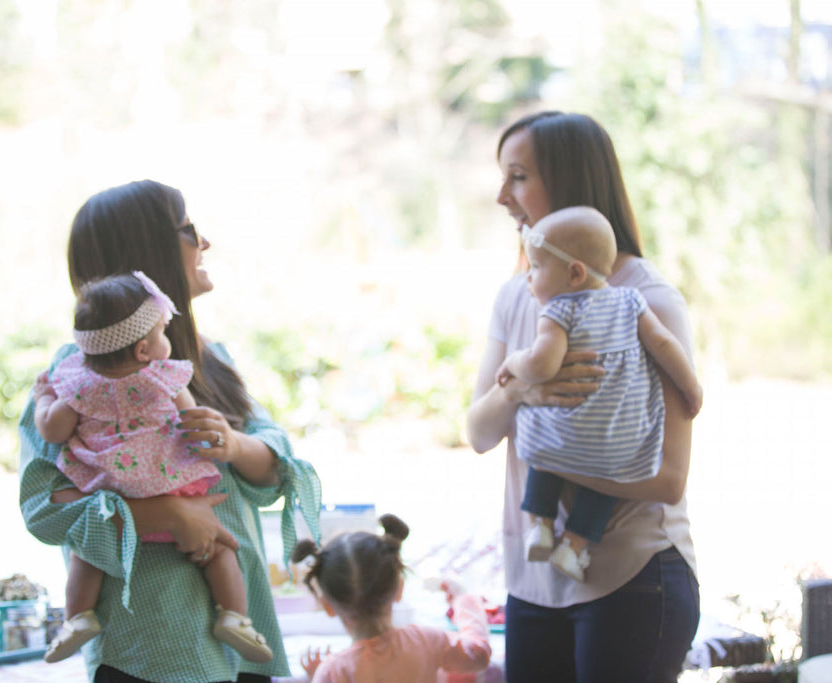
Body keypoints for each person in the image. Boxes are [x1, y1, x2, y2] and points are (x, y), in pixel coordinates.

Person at [18, 179, 322, 683]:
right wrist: (168, 513)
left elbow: (277, 465)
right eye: (188, 229)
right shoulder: (75, 378)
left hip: (243, 641)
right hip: (154, 649)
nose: (204, 243)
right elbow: (44, 508)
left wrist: (234, 442)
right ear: (147, 259)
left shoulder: (210, 358)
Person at [466, 111, 701, 682]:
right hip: (533, 586)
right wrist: (522, 388)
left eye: (518, 176)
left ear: (571, 184)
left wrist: (555, 461)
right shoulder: (517, 295)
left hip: (632, 579)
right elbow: (477, 432)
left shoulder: (649, 303)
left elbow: (669, 480)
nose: (502, 196)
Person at [33, 271, 272, 664]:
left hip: (116, 502)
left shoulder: (77, 386)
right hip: (173, 490)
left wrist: (44, 399)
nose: (167, 341)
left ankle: (77, 617)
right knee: (219, 550)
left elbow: (53, 430)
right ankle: (234, 616)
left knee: (86, 554)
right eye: (163, 332)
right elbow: (195, 422)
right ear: (144, 350)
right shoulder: (166, 377)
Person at [494, 207, 702, 583]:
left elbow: (542, 366)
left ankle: (539, 525)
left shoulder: (558, 311)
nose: (529, 277)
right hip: (619, 441)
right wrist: (691, 387)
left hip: (564, 439)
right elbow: (664, 344)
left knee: (541, 435)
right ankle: (575, 547)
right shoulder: (632, 302)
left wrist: (514, 362)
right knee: (611, 462)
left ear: (573, 273)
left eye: (537, 268)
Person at [291, 514, 492, 683]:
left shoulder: (334, 671)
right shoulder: (428, 641)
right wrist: (464, 599)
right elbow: (478, 656)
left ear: (327, 606)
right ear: (400, 589)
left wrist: (316, 676)